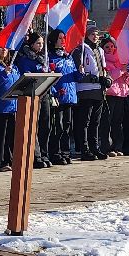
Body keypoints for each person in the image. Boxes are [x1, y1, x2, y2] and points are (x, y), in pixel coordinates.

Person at [16, 33, 55, 167]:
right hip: (32, 94)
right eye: (38, 43)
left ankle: (44, 153)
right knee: (34, 125)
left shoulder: (43, 58)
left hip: (44, 94)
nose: (41, 46)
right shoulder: (25, 59)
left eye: (42, 43)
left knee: (46, 125)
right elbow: (26, 76)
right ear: (31, 44)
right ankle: (35, 155)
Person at [72, 26, 107, 161]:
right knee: (84, 121)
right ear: (87, 35)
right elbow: (77, 71)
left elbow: (103, 68)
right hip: (86, 89)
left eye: (97, 34)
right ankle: (84, 149)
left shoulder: (100, 50)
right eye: (92, 34)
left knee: (95, 121)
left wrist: (106, 79)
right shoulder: (80, 49)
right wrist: (90, 78)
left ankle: (95, 147)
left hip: (99, 90)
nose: (95, 36)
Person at [47, 29, 78, 165]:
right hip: (59, 96)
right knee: (57, 126)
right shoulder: (50, 57)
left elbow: (75, 75)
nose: (63, 40)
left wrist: (80, 73)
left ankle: (66, 152)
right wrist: (55, 91)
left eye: (64, 38)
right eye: (60, 38)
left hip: (70, 95)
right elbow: (49, 78)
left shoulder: (68, 56)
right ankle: (55, 152)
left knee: (67, 126)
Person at [100, 36, 127, 157]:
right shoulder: (103, 60)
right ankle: (107, 146)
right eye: (107, 47)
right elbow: (109, 76)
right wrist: (121, 71)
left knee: (118, 121)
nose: (110, 49)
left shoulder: (119, 60)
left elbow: (127, 80)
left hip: (121, 93)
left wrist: (127, 74)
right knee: (107, 121)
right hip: (110, 93)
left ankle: (118, 146)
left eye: (112, 46)